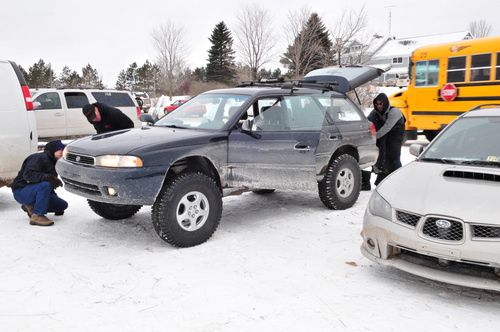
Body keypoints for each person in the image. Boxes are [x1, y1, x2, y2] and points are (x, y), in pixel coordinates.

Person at [11, 140, 69, 226]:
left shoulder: (53, 163)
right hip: (21, 191)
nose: (61, 152)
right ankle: (38, 215)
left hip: (35, 191)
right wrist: (48, 177)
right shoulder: (39, 157)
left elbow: (48, 187)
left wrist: (56, 203)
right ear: (52, 149)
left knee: (62, 205)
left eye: (63, 150)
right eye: (58, 149)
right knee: (45, 184)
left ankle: (31, 206)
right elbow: (28, 175)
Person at [362, 93, 405, 190]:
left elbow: (386, 128)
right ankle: (381, 178)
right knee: (382, 155)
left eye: (381, 103)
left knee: (394, 155)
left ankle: (400, 179)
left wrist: (373, 138)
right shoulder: (376, 111)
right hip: (385, 133)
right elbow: (367, 120)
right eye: (377, 104)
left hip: (395, 134)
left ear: (385, 103)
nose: (379, 106)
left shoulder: (394, 112)